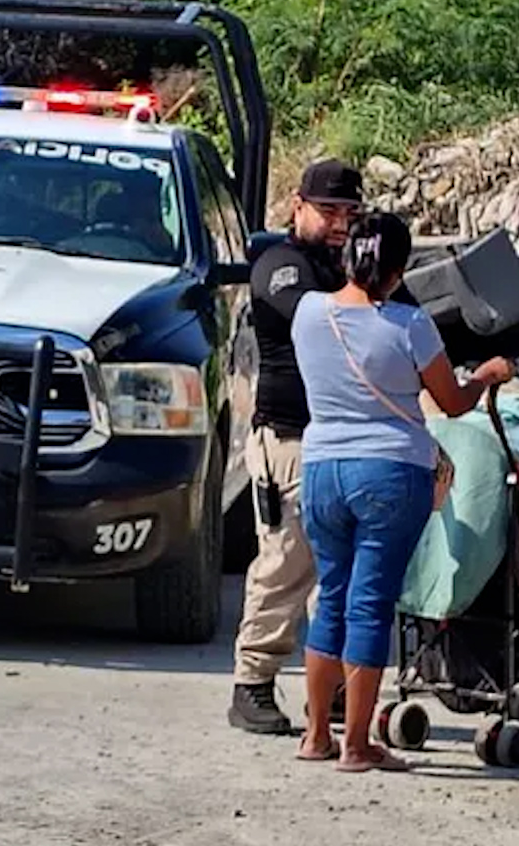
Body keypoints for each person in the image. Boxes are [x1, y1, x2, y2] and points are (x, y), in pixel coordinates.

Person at [288, 210, 512, 771]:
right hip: (389, 472)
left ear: (345, 259)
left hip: (320, 468)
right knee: (370, 605)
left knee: (332, 600)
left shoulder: (308, 312)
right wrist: (486, 376)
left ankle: (316, 735)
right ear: (397, 272)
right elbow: (454, 404)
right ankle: (357, 745)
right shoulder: (410, 326)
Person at [228, 158, 362, 735]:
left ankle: (327, 691)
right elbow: (316, 318)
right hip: (291, 438)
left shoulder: (350, 268)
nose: (339, 224)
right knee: (287, 563)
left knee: (341, 573)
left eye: (350, 214)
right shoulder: (281, 266)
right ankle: (252, 683)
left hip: (341, 437)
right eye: (329, 211)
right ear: (297, 206)